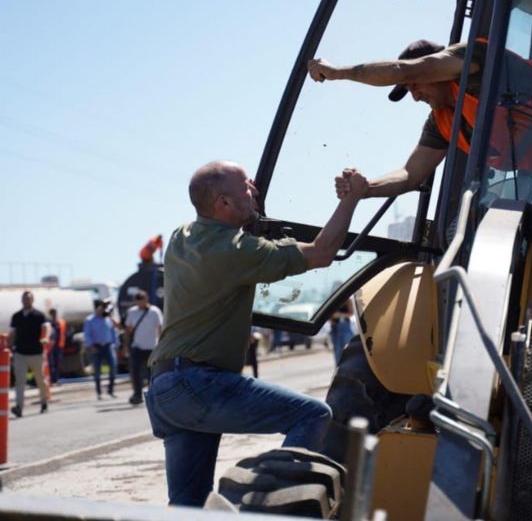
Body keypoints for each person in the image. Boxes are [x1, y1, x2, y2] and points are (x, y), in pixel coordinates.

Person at [144, 160, 367, 507]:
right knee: (314, 414)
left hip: (165, 390)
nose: (254, 190)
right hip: (199, 384)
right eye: (246, 186)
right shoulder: (234, 251)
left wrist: (249, 211)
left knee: (188, 507)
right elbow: (323, 253)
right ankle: (275, 507)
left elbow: (235, 230)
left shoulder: (181, 237)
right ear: (223, 204)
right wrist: (352, 199)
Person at [307, 38, 532, 202]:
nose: (415, 95)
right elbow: (411, 174)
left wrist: (339, 73)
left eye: (414, 86)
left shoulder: (478, 60)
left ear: (435, 70)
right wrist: (365, 188)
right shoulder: (442, 121)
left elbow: (411, 68)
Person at [9, 291, 50, 417]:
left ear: (33, 300)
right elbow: (12, 333)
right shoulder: (16, 316)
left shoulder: (39, 315)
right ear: (22, 300)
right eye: (25, 299)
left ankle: (44, 401)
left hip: (36, 352)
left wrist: (45, 338)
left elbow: (47, 328)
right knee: (20, 381)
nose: (27, 301)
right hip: (20, 352)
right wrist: (10, 348)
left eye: (29, 299)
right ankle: (19, 407)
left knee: (40, 380)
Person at [123, 290, 163, 405]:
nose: (140, 304)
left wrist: (161, 344)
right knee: (135, 371)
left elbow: (159, 329)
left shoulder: (155, 311)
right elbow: (128, 330)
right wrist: (125, 346)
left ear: (146, 300)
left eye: (142, 301)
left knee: (153, 373)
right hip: (137, 346)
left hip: (152, 347)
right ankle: (137, 394)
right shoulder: (132, 312)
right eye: (137, 302)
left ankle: (154, 394)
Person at [83, 300, 119, 400]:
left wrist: (116, 343)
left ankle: (111, 390)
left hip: (108, 346)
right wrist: (90, 346)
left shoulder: (108, 319)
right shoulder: (90, 320)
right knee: (97, 371)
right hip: (96, 347)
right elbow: (87, 334)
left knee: (113, 367)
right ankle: (99, 392)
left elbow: (114, 332)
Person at [329, 299, 355, 365]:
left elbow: (351, 313)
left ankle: (348, 366)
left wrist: (340, 315)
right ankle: (340, 367)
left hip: (345, 327)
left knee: (348, 349)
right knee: (337, 351)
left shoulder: (347, 300)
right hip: (334, 328)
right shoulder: (331, 300)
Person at [47, 308, 67, 385]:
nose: (53, 315)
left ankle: (56, 379)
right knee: (51, 362)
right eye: (52, 314)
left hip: (59, 345)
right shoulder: (49, 323)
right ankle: (52, 379)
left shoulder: (61, 322)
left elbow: (64, 333)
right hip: (51, 346)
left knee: (57, 362)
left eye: (54, 313)